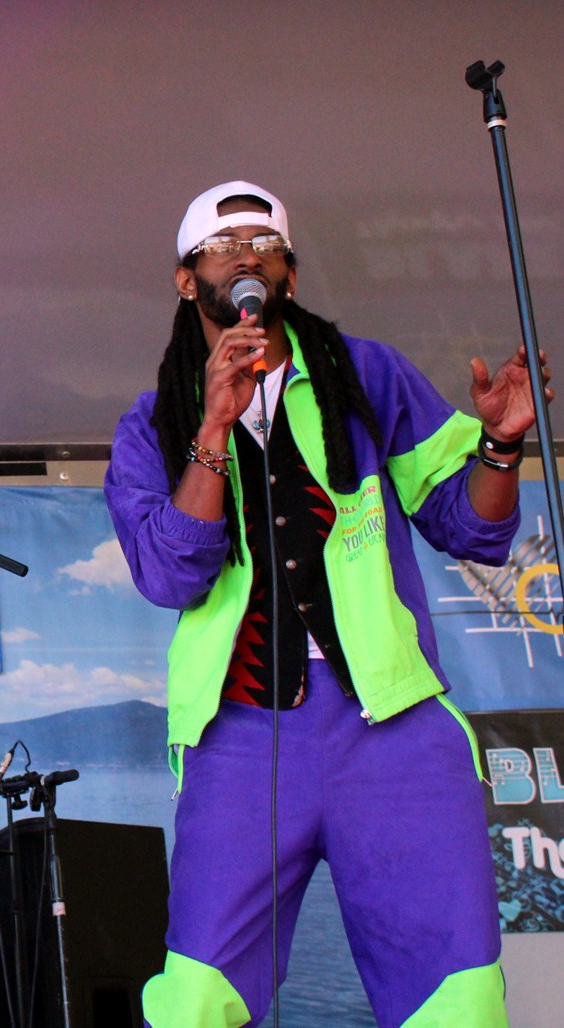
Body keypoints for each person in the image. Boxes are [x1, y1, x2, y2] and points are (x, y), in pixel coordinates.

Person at [104, 181, 551, 1027]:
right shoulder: (154, 421)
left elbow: (466, 525)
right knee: (194, 1000)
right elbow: (168, 576)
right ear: (185, 279)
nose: (245, 255)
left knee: (457, 1001)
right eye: (221, 245)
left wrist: (499, 444)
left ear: (290, 275)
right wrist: (212, 427)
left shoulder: (365, 376)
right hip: (238, 734)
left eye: (263, 244)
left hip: (391, 731)